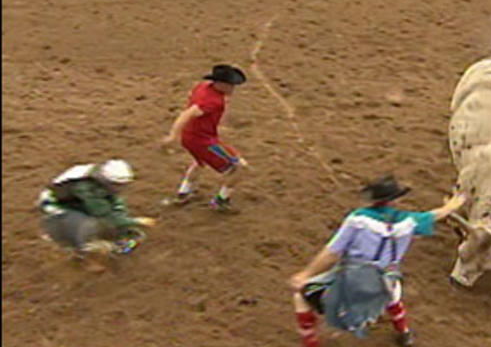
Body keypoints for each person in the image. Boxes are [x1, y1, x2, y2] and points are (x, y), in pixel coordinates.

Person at [288, 174, 467, 347]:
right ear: (394, 200)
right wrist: (453, 205)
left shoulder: (357, 220)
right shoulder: (410, 221)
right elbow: (436, 214)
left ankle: (311, 343)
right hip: (386, 283)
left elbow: (331, 254)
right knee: (392, 286)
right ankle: (403, 331)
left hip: (354, 284)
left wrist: (305, 274)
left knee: (301, 296)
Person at [37, 159, 156, 272]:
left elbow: (115, 204)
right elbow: (106, 216)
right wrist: (135, 222)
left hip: (74, 201)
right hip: (55, 205)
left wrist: (124, 221)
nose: (121, 188)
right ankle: (84, 255)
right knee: (89, 226)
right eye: (118, 185)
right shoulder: (85, 187)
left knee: (105, 219)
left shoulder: (99, 179)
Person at [161, 64, 248, 212]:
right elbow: (187, 114)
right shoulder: (213, 101)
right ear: (220, 84)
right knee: (239, 167)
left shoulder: (202, 86)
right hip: (203, 140)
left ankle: (184, 193)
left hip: (190, 136)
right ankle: (221, 201)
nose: (233, 88)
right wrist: (172, 135)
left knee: (199, 162)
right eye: (230, 85)